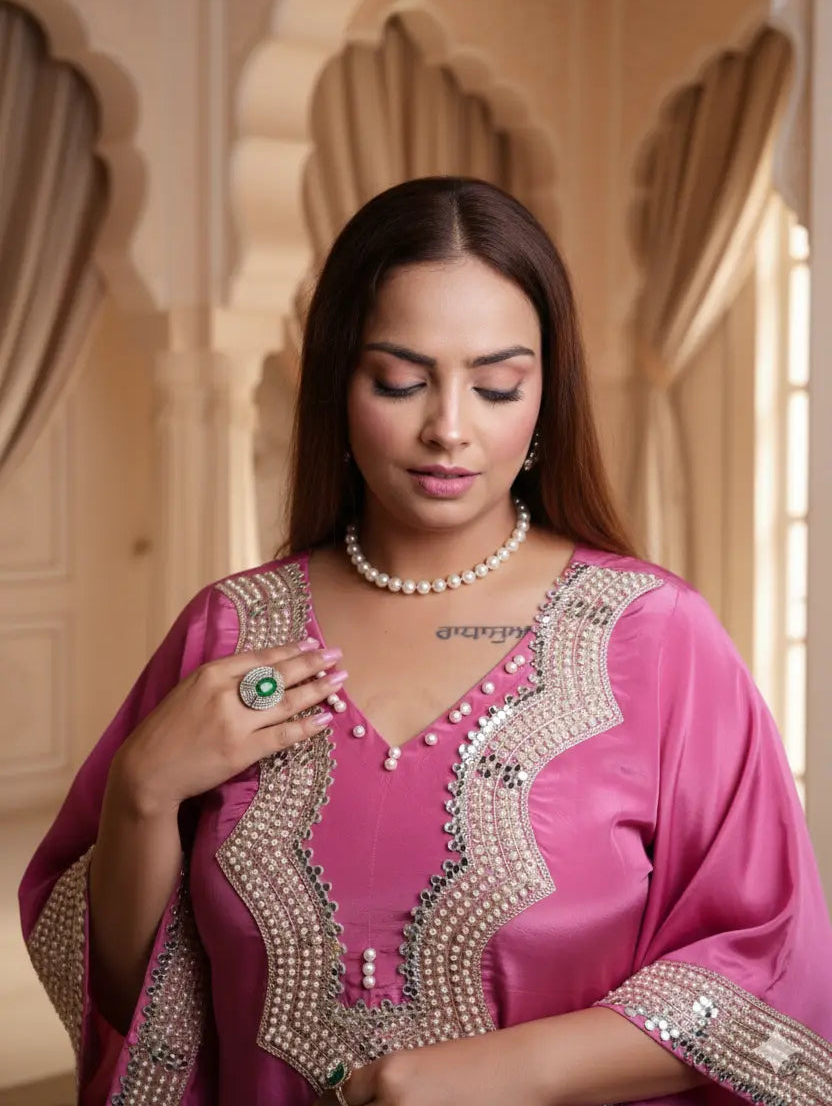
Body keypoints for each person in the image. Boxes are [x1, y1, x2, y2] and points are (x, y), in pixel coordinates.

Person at [20, 177, 832, 1106]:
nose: (449, 429)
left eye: (496, 385)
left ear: (544, 398)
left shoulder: (656, 638)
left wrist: (506, 1071)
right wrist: (140, 794)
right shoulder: (231, 631)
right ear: (338, 382)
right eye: (400, 380)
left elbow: (770, 974)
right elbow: (135, 1006)